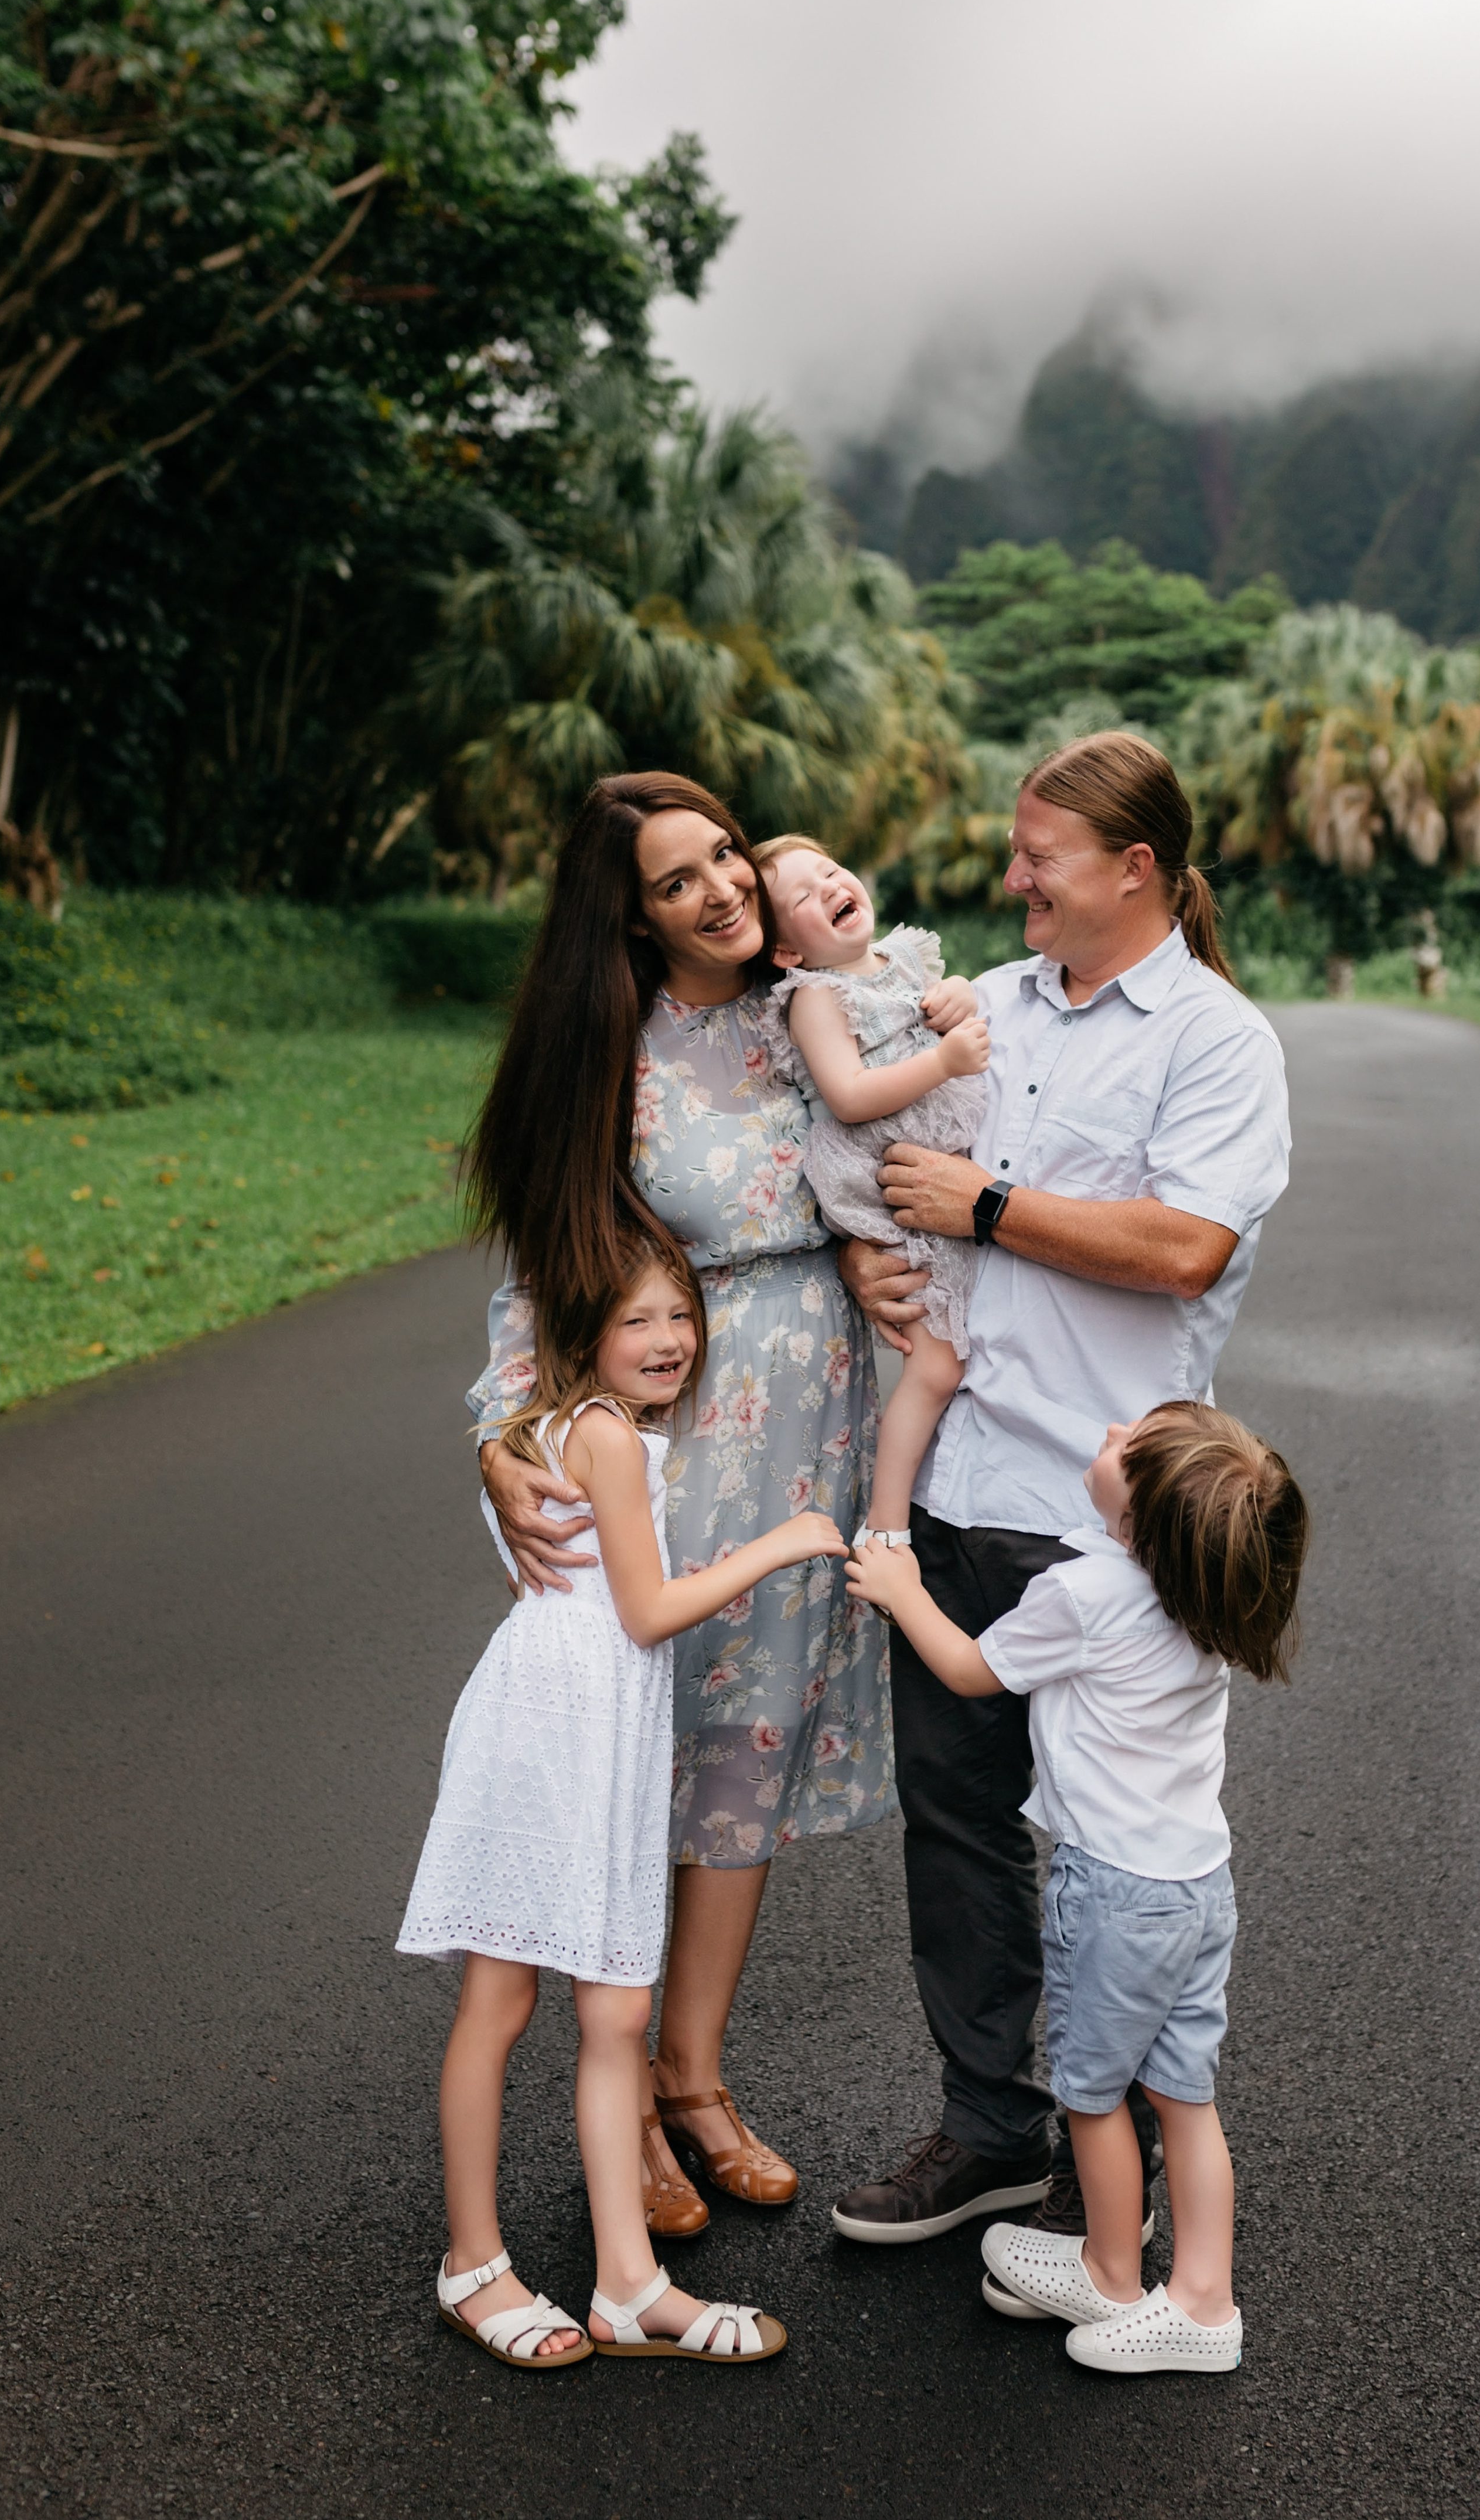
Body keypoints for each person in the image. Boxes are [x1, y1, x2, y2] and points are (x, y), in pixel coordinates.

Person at [830, 731, 1292, 2269]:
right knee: (955, 1827)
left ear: (1134, 870)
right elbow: (874, 1146)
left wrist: (993, 1210)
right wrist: (880, 1247)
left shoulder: (1215, 1038)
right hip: (950, 1479)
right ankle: (987, 2126)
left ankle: (1135, 2164)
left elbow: (1185, 1249)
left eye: (1041, 854)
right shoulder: (990, 1012)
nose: (1011, 874)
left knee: (1113, 1847)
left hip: (1102, 1507)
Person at [463, 774, 937, 2236]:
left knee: (743, 1766)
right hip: (677, 1447)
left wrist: (868, 1252)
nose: (720, 889)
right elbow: (541, 1275)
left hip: (819, 1430)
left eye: (725, 855)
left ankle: (692, 2074)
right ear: (630, 911)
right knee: (641, 1754)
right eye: (676, 879)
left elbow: (914, 1133)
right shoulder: (609, 1056)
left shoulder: (815, 1009)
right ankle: (619, 2081)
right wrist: (503, 1436)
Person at [400, 1232, 843, 2364]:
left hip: (602, 1732)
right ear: (584, 1334)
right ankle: (474, 2264)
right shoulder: (600, 1434)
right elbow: (645, 1609)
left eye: (681, 1318)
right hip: (551, 1735)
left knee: (614, 2016)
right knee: (498, 2006)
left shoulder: (577, 1430)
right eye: (637, 1321)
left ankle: (628, 2284)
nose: (667, 1342)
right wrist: (784, 1540)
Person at [846, 1399, 1309, 2374]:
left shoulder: (1087, 1593)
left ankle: (1106, 2270)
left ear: (1139, 1520)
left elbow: (973, 1670)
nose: (1106, 1435)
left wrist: (901, 1586)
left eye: (1125, 1451)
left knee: (1093, 2097)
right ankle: (1203, 2299)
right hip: (1197, 1886)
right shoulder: (1213, 1599)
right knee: (1185, 2097)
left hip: (1113, 1894)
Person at [756, 833, 991, 1539]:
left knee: (971, 1346)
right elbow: (852, 1094)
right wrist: (946, 1059)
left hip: (947, 1168)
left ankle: (947, 1495)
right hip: (888, 1178)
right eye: (802, 895)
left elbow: (957, 1003)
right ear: (786, 952)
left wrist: (958, 995)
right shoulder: (814, 996)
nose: (828, 886)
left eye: (829, 871)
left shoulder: (907, 958)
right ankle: (887, 1524)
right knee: (938, 1364)